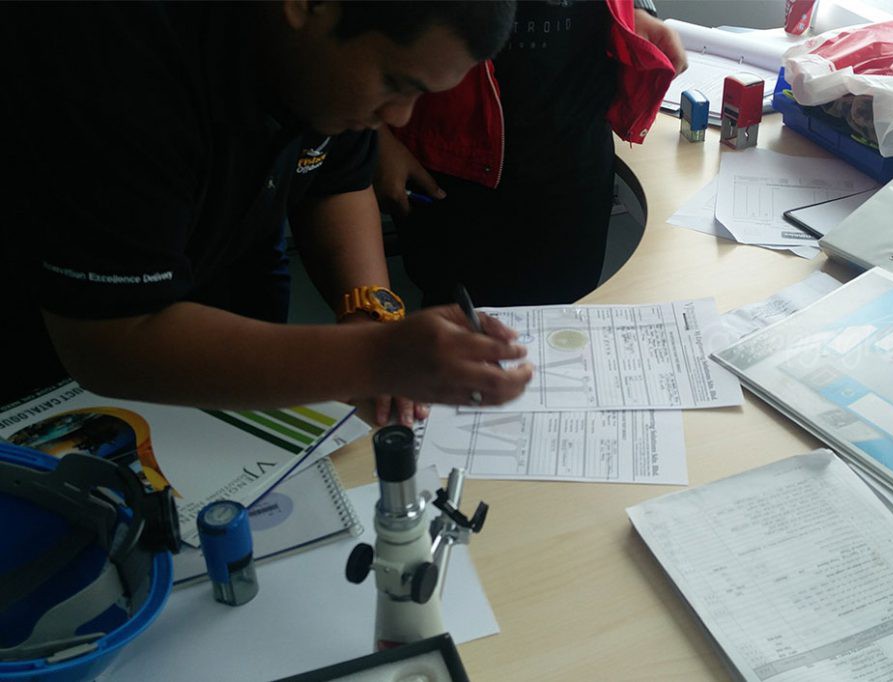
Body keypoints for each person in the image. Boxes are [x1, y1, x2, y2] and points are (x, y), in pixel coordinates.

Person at [0, 1, 532, 426]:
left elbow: (337, 180)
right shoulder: (110, 50)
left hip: (226, 284)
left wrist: (369, 314)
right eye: (395, 83)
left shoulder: (323, 64)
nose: (398, 118)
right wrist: (372, 358)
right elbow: (108, 341)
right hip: (49, 362)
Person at [373, 0, 687, 308]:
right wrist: (376, 140)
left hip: (575, 150)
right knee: (458, 315)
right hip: (455, 161)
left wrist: (637, 10)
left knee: (568, 309)